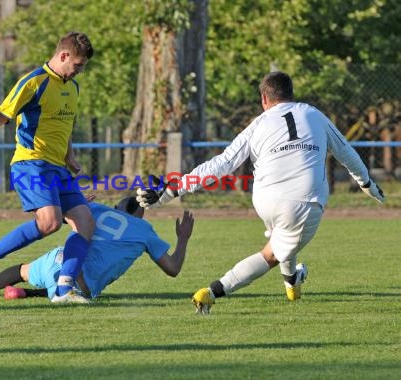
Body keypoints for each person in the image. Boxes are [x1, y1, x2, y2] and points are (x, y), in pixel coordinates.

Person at [137, 71, 385, 314]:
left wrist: (171, 190)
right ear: (291, 94)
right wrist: (367, 184)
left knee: (283, 241)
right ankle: (210, 293)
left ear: (264, 99)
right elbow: (346, 153)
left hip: (265, 200)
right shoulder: (314, 114)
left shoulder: (257, 124)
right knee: (271, 254)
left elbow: (221, 164)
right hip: (305, 201)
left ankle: (293, 284)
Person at [0, 32, 95, 303]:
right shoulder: (34, 82)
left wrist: (70, 156)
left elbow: (64, 126)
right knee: (50, 222)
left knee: (85, 223)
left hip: (59, 168)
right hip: (32, 163)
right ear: (64, 56)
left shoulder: (73, 88)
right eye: (77, 65)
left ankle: (65, 289)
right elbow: (2, 114)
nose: (80, 71)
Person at [0, 197, 195, 301]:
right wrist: (183, 239)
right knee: (78, 290)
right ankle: (28, 294)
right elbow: (172, 269)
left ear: (116, 207)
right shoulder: (145, 231)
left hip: (58, 260)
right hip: (80, 283)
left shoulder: (97, 208)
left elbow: (57, 216)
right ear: (140, 214)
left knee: (22, 270)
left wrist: (80, 203)